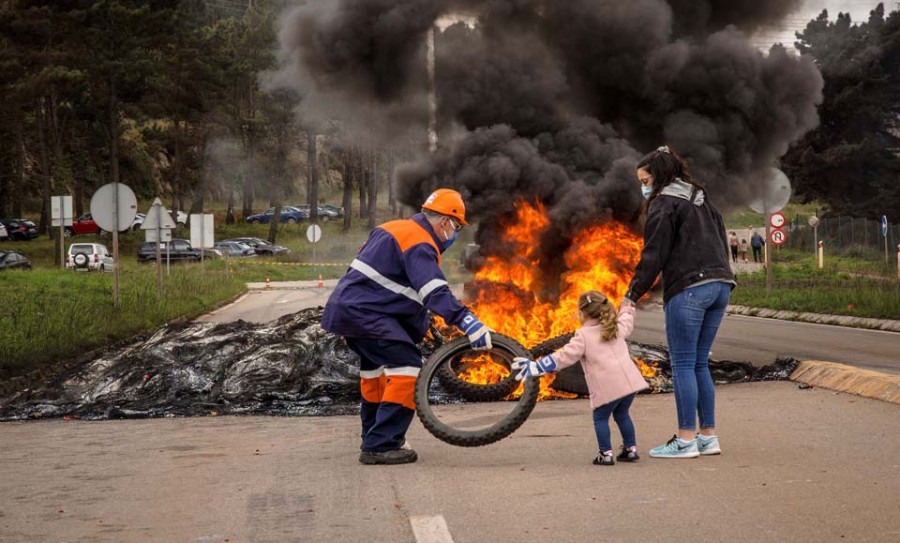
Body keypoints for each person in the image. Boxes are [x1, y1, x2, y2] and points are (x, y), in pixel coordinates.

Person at [322, 188, 492, 465]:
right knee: (408, 366)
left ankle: (373, 437)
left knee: (375, 372)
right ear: (445, 221)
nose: (456, 233)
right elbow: (433, 290)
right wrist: (468, 322)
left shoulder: (392, 228)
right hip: (368, 314)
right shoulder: (420, 241)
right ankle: (383, 444)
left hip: (351, 311)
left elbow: (394, 284)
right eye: (457, 226)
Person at [622, 145, 735, 459]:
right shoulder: (702, 199)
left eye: (645, 180)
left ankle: (685, 440)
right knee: (699, 364)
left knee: (684, 364)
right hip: (721, 285)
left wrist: (631, 294)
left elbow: (653, 255)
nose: (643, 186)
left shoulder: (664, 203)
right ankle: (708, 437)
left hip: (689, 288)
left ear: (657, 178)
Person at [511, 290, 648, 465]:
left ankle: (605, 454)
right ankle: (630, 450)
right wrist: (628, 308)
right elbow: (627, 320)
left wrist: (537, 366)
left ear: (582, 313)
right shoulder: (615, 327)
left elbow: (563, 357)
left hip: (608, 388)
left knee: (600, 418)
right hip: (629, 384)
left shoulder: (583, 336)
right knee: (622, 414)